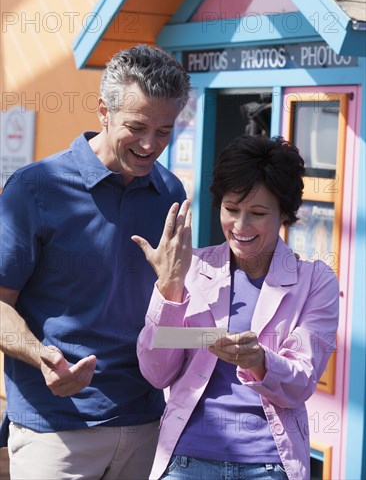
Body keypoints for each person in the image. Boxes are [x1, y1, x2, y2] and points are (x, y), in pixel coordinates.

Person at [0, 44, 190, 479]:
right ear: (103, 110)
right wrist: (40, 356)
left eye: (164, 130)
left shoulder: (171, 193)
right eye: (137, 127)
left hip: (146, 422)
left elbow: (173, 306)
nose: (150, 145)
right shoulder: (36, 188)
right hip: (56, 429)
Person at [134, 135, 339, 480]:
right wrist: (170, 290)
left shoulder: (315, 281)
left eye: (258, 213)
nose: (240, 227)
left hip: (270, 465)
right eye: (231, 210)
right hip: (187, 461)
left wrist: (259, 360)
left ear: (285, 213)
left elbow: (301, 383)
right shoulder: (191, 268)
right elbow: (156, 373)